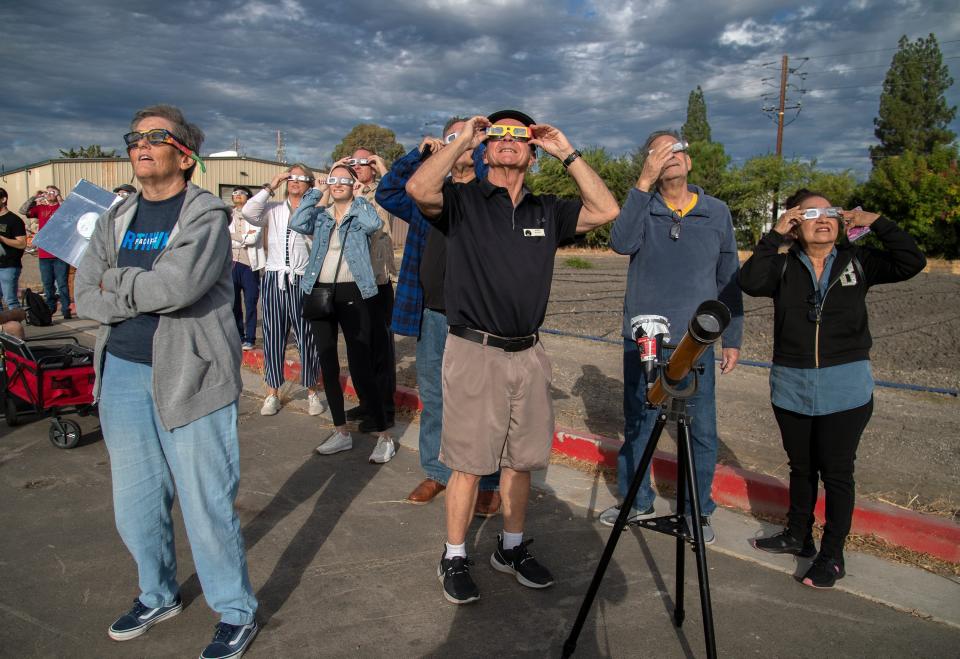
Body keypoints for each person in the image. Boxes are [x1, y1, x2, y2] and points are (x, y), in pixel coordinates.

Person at [406, 110, 619, 604]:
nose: (507, 141)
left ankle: (512, 547)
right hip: (474, 350)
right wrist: (460, 141)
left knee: (520, 462)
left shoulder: (547, 209)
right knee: (467, 462)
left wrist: (567, 150)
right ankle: (454, 555)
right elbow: (419, 189)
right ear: (484, 149)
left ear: (533, 152)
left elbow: (606, 211)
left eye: (519, 137)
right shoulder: (463, 201)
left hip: (528, 352)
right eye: (497, 134)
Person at [75, 104, 258, 658]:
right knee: (135, 502)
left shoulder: (205, 215)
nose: (141, 144)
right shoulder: (115, 216)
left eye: (157, 137)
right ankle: (157, 593)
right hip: (124, 373)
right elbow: (84, 292)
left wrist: (117, 284)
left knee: (206, 503)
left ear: (185, 153)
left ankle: (235, 610)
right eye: (135, 137)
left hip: (191, 375)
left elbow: (176, 288)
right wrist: (130, 286)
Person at [739, 189, 925, 588]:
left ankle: (832, 553)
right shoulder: (784, 266)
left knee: (837, 473)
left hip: (846, 386)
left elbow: (912, 261)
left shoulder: (858, 261)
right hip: (791, 383)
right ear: (795, 224)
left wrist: (874, 221)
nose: (821, 219)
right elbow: (750, 280)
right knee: (801, 467)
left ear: (841, 224)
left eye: (829, 213)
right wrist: (774, 234)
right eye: (810, 214)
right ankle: (797, 535)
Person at [603, 129, 744, 544]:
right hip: (643, 337)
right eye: (659, 152)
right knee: (640, 424)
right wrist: (641, 185)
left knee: (700, 429)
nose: (671, 156)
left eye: (677, 149)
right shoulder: (642, 208)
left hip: (694, 342)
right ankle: (637, 499)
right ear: (649, 162)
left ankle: (694, 510)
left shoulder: (715, 212)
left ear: (690, 160)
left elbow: (729, 278)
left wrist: (732, 336)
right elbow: (620, 242)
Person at [376, 118, 502, 514]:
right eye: (454, 138)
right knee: (435, 397)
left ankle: (488, 481)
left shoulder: (490, 196)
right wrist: (419, 155)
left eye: (468, 138)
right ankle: (437, 472)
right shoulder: (427, 196)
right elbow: (388, 190)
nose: (461, 145)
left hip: (478, 317)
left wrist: (478, 148)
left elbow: (494, 180)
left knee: (484, 401)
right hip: (432, 314)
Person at [289, 165, 395, 463]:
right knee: (329, 365)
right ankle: (340, 432)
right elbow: (297, 222)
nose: (336, 184)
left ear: (353, 184)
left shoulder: (359, 214)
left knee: (361, 365)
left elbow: (374, 224)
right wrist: (318, 191)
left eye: (343, 180)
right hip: (320, 293)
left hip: (354, 293)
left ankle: (385, 435)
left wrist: (359, 198)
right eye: (332, 179)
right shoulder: (321, 216)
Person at [242, 164, 325, 417]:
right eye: (291, 177)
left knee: (306, 337)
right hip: (275, 277)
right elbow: (248, 211)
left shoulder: (316, 211)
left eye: (301, 178)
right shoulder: (273, 209)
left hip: (302, 278)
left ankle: (312, 391)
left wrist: (319, 194)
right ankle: (272, 393)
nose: (295, 181)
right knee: (273, 335)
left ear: (310, 183)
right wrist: (272, 185)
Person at [347, 147, 398, 430]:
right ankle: (366, 403)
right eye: (353, 163)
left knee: (380, 349)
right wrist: (337, 175)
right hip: (351, 280)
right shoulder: (347, 192)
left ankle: (385, 410)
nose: (357, 168)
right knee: (357, 347)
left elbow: (399, 194)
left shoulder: (383, 191)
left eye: (363, 163)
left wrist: (382, 165)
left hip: (378, 280)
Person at [21, 185, 71, 319]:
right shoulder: (41, 208)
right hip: (44, 254)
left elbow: (70, 211)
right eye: (47, 192)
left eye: (52, 192)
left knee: (62, 283)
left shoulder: (61, 207)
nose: (49, 194)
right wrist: (35, 197)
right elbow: (23, 210)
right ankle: (50, 308)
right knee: (48, 284)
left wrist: (59, 197)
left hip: (60, 253)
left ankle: (66, 309)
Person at [228, 186, 264, 350]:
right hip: (232, 264)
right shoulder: (228, 216)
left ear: (248, 197)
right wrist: (241, 238)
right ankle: (238, 335)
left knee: (250, 302)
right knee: (234, 303)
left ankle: (250, 338)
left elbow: (252, 239)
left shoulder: (254, 215)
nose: (237, 196)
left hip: (250, 265)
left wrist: (235, 238)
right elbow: (225, 237)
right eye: (234, 194)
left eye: (240, 193)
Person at [0, 187, 27, 311]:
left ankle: (16, 329)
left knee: (10, 299)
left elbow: (22, 244)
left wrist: (2, 239)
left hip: (9, 266)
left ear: (4, 199)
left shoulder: (14, 220)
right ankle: (2, 329)